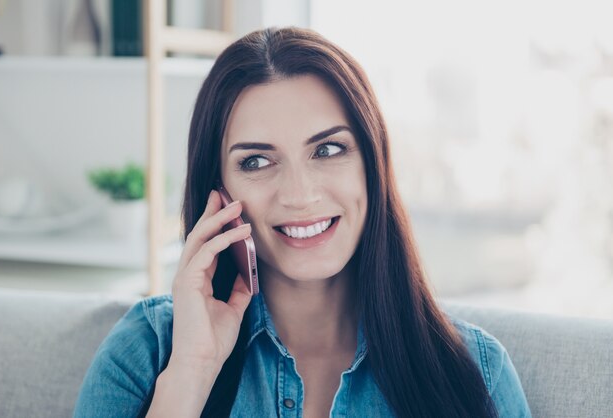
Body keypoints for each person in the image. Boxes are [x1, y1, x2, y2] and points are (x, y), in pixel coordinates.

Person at [74, 27, 531, 418]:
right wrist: (192, 370)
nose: (300, 194)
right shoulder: (148, 351)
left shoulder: (477, 372)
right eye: (256, 161)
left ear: (372, 165)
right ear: (219, 193)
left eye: (328, 150)